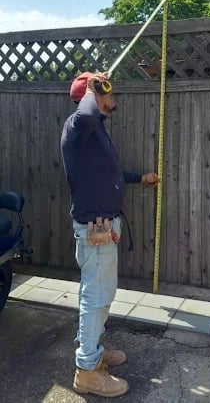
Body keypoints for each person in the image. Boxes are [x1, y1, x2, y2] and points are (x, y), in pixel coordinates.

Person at [60, 71, 158, 397]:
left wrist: (139, 178)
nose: (110, 93)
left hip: (104, 226)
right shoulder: (78, 127)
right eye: (104, 90)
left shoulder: (95, 132)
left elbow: (109, 173)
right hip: (94, 228)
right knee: (96, 295)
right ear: (91, 95)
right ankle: (87, 369)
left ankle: (93, 350)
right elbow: (85, 113)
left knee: (100, 293)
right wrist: (91, 87)